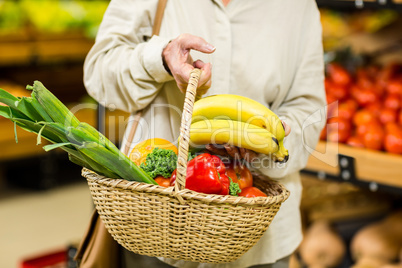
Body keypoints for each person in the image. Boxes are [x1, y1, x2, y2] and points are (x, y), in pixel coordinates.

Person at [83, 0, 326, 267]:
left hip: (260, 237)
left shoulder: (298, 6)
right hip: (158, 224)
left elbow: (309, 107)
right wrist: (160, 58)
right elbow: (99, 72)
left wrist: (271, 143)